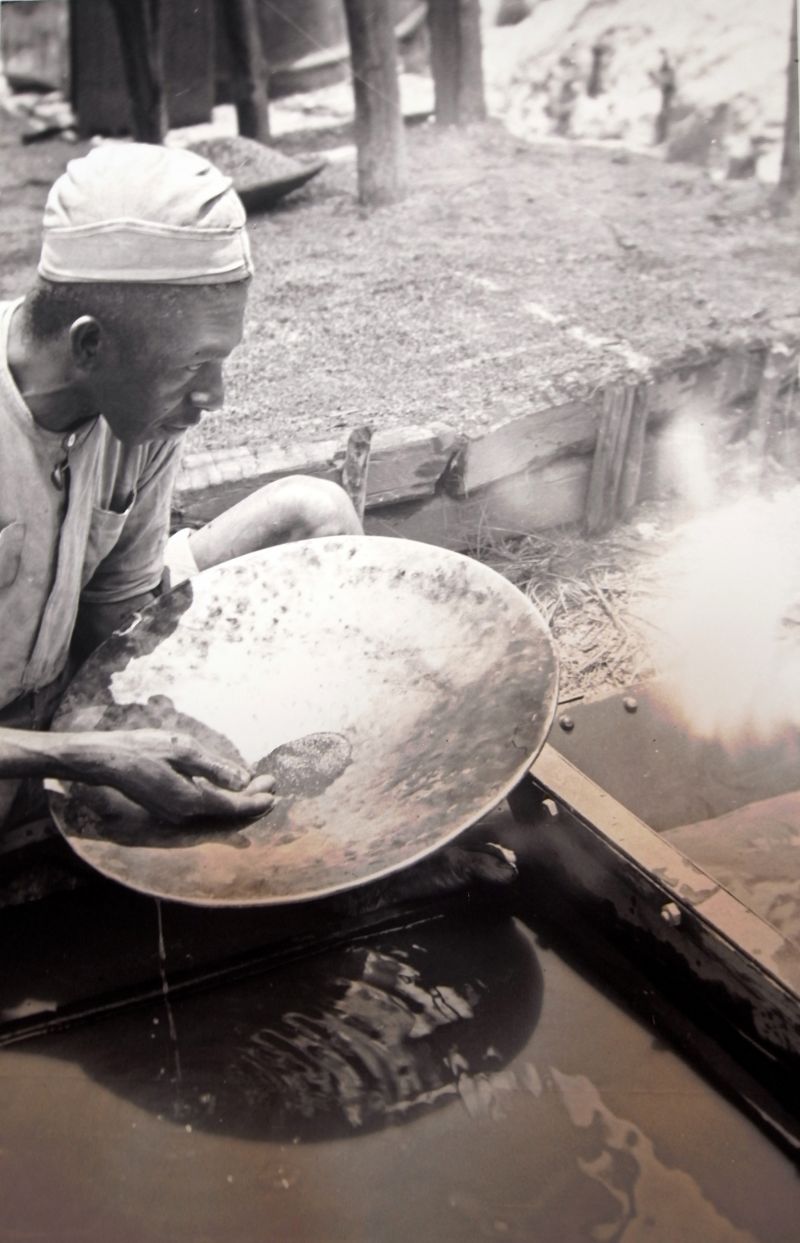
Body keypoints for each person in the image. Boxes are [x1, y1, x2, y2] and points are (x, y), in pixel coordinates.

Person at [0, 142, 361, 830]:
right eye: (194, 365)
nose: (215, 397)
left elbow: (120, 621)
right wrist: (93, 756)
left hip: (63, 691)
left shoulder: (141, 421)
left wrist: (203, 723)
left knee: (311, 512)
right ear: (88, 346)